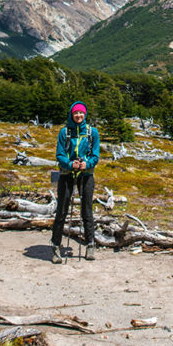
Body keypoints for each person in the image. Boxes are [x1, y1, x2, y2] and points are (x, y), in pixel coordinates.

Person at [50, 101, 100, 263]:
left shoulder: (92, 133)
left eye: (81, 113)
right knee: (62, 210)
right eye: (76, 113)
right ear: (71, 114)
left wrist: (88, 163)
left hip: (86, 174)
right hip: (65, 173)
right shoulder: (64, 132)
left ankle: (90, 244)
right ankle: (56, 246)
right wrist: (70, 164)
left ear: (85, 115)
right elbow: (60, 154)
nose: (79, 116)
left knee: (87, 210)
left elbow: (95, 155)